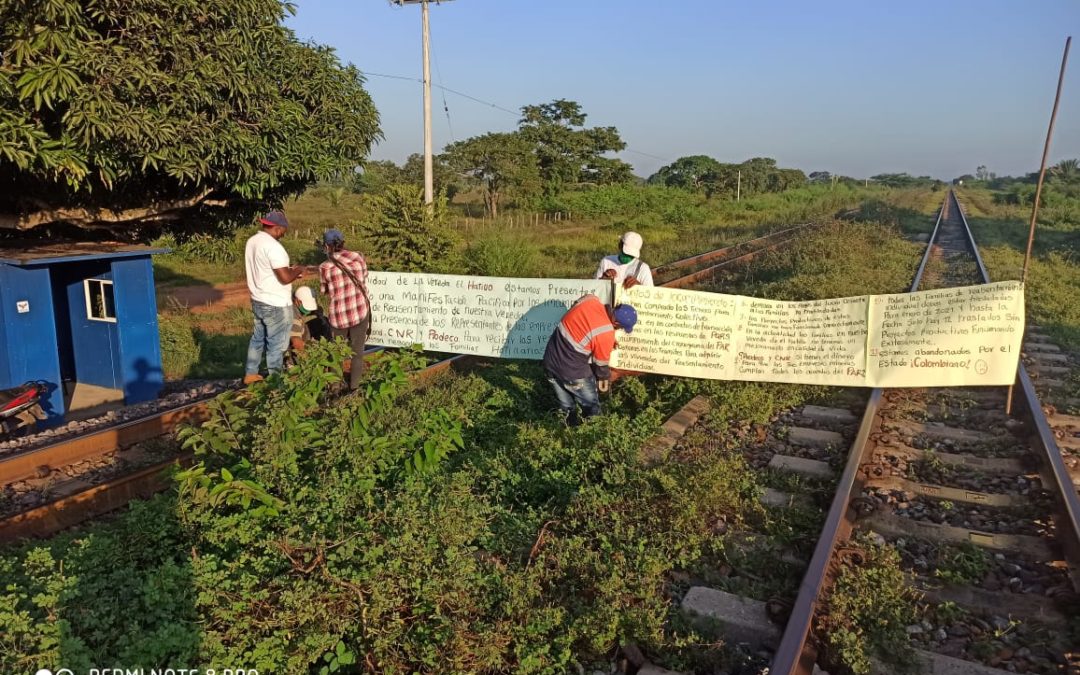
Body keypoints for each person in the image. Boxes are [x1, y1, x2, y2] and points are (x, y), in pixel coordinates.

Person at [542, 294, 637, 426]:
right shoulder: (606, 334)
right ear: (616, 323)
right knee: (591, 405)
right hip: (572, 371)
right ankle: (593, 432)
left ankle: (568, 430)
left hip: (550, 362)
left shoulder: (591, 299)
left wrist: (599, 340)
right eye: (620, 327)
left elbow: (582, 320)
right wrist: (606, 380)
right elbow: (601, 367)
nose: (618, 330)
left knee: (566, 407)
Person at [244, 210, 305, 384]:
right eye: (283, 231)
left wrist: (290, 271)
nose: (283, 235)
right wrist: (298, 270)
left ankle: (250, 373)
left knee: (257, 338)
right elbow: (285, 278)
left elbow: (270, 271)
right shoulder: (274, 247)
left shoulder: (252, 241)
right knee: (276, 344)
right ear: (278, 229)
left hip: (258, 299)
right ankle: (275, 382)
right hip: (276, 303)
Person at [318, 229, 370, 391]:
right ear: (343, 242)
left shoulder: (325, 267)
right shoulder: (358, 258)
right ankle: (354, 387)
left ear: (327, 246)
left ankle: (335, 386)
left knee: (337, 353)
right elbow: (364, 277)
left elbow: (324, 291)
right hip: (359, 311)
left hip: (339, 316)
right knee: (357, 352)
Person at [285, 286, 330, 365]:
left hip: (295, 333)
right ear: (297, 301)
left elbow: (318, 310)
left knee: (322, 321)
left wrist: (320, 315)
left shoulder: (294, 305)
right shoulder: (293, 316)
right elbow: (296, 342)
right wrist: (309, 361)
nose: (308, 310)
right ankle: (291, 363)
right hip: (287, 343)